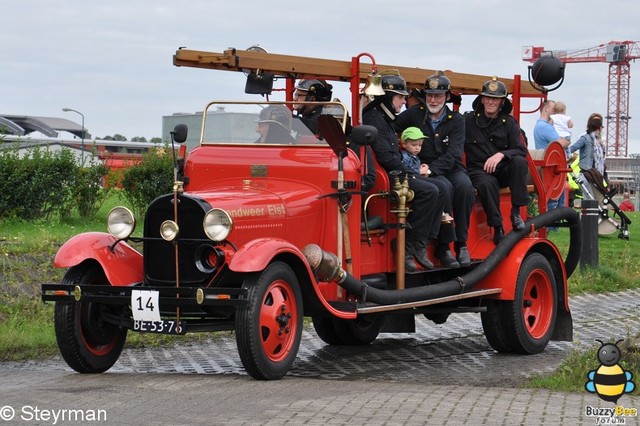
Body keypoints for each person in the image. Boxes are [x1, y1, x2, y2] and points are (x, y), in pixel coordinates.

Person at [362, 71, 454, 271]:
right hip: (390, 175)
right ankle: (407, 244)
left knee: (441, 187)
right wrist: (408, 169)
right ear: (387, 97)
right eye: (400, 97)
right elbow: (386, 156)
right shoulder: (374, 118)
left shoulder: (383, 116)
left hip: (395, 170)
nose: (404, 102)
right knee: (430, 191)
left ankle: (420, 243)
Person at [395, 71, 474, 266]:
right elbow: (392, 126)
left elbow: (455, 153)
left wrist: (430, 169)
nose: (433, 99)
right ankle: (443, 248)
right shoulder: (415, 114)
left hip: (450, 167)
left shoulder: (457, 120)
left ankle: (462, 244)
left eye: (438, 95)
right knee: (445, 189)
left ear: (447, 97)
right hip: (421, 167)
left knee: (464, 187)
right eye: (429, 95)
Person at [463, 77, 529, 245]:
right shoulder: (468, 121)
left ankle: (516, 213)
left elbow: (521, 149)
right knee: (486, 183)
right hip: (479, 170)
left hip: (502, 170)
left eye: (496, 99)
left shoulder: (509, 123)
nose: (491, 102)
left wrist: (501, 155)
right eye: (488, 98)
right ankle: (497, 227)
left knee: (519, 162)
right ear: (482, 99)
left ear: (501, 102)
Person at [534, 100, 569, 214]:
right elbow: (561, 143)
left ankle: (550, 228)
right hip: (552, 170)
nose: (556, 113)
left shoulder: (540, 126)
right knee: (554, 202)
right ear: (546, 109)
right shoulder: (545, 127)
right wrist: (567, 140)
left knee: (554, 201)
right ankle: (550, 228)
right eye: (554, 109)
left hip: (549, 168)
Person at [568, 113, 608, 204]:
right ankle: (588, 218)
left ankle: (596, 217)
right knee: (589, 200)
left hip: (596, 176)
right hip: (587, 174)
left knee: (597, 201)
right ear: (599, 127)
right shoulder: (585, 138)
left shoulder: (600, 142)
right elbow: (572, 149)